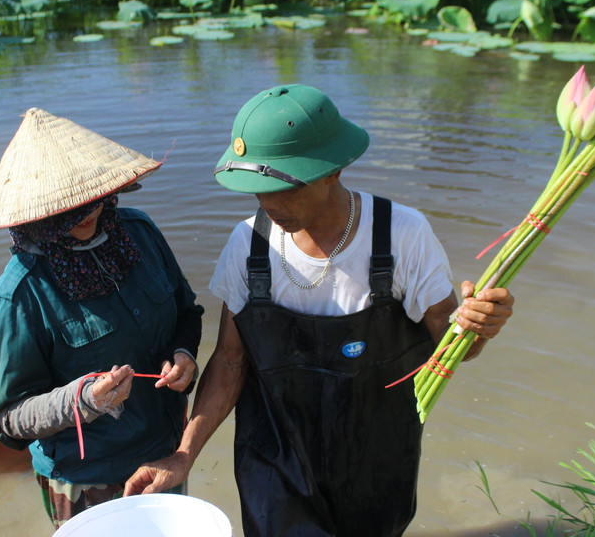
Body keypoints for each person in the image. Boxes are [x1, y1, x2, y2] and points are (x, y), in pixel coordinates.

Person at [123, 84, 515, 536]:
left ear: (333, 171)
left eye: (283, 188)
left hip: (376, 459)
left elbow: (450, 348)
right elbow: (231, 360)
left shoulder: (401, 235)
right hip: (274, 460)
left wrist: (477, 328)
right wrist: (184, 454)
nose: (268, 203)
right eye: (257, 190)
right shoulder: (248, 245)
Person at [0, 108, 204, 529]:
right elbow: (7, 419)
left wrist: (184, 354)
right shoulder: (18, 296)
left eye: (91, 200)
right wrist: (83, 400)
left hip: (166, 456)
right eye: (66, 211)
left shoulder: (139, 233)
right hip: (88, 482)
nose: (86, 214)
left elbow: (188, 311)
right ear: (37, 215)